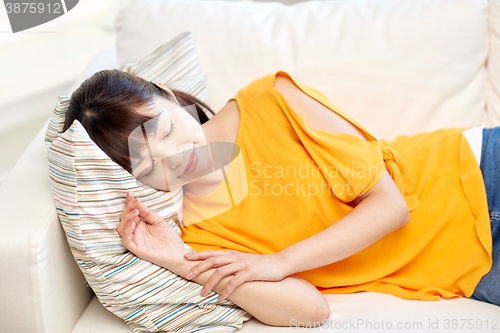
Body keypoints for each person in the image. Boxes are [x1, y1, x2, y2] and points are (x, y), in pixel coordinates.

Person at [63, 69, 499, 326]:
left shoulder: (271, 98)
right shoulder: (196, 230)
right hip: (471, 268)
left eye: (168, 131)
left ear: (169, 94)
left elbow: (391, 207)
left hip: (475, 169)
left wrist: (280, 261)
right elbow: (309, 311)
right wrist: (181, 261)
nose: (182, 159)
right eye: (153, 166)